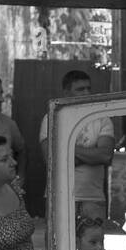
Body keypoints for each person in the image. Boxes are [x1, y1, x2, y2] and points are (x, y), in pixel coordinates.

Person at [39, 69, 115, 220]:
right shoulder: (53, 119)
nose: (86, 93)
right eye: (80, 89)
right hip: (60, 197)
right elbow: (52, 161)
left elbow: (105, 155)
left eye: (88, 88)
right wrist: (92, 154)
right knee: (57, 244)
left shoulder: (102, 119)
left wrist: (66, 148)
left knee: (94, 242)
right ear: (66, 93)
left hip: (92, 197)